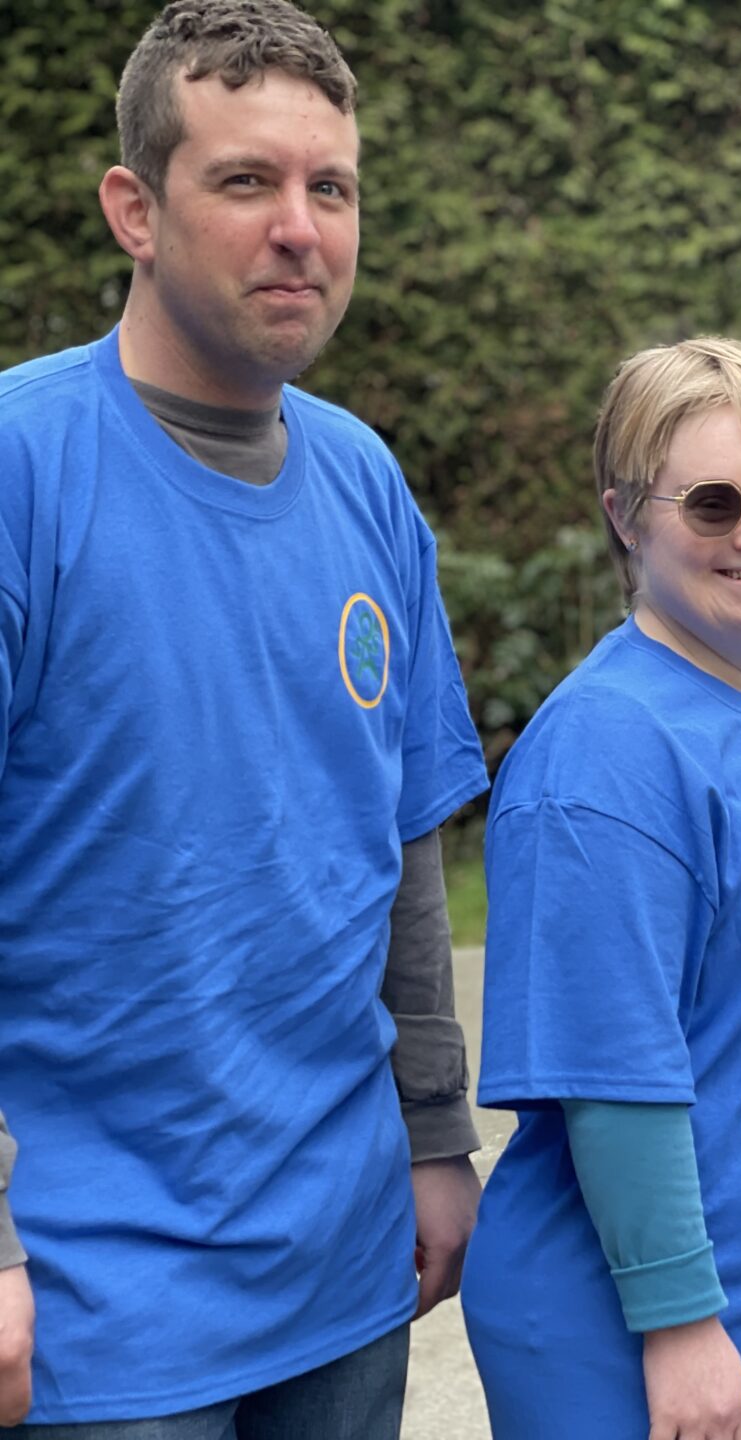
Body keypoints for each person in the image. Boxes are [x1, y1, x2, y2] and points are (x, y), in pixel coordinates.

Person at [0, 1, 490, 1432]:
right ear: (133, 211)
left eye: (328, 187)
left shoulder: (363, 482)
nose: (300, 227)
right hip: (97, 1309)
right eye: (245, 181)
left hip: (344, 1272)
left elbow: (404, 844)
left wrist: (436, 1136)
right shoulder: (24, 470)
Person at [462, 337, 741, 1439]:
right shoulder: (605, 753)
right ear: (627, 518)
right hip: (659, 1337)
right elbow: (613, 1073)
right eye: (711, 505)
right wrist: (678, 1328)